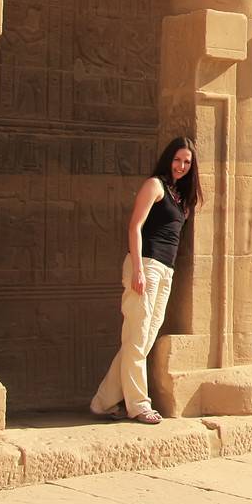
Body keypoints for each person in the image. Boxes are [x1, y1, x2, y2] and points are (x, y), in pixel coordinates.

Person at [89, 136, 199, 423]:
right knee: (137, 337)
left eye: (187, 162)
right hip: (146, 265)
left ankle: (102, 402)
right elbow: (135, 226)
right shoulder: (155, 185)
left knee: (142, 340)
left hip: (166, 270)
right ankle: (138, 404)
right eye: (177, 160)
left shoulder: (179, 196)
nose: (182, 166)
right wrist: (137, 268)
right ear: (168, 159)